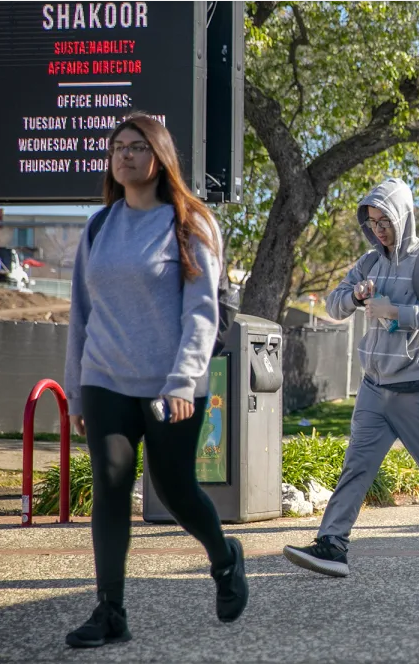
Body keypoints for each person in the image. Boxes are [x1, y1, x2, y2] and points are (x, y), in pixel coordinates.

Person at [62, 114, 248, 648]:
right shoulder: (99, 227)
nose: (125, 155)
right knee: (112, 486)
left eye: (137, 146)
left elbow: (201, 314)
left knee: (174, 487)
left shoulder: (190, 223)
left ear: (159, 156)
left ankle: (223, 557)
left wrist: (183, 381)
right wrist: (76, 388)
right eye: (117, 147)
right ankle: (110, 611)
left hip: (170, 384)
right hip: (105, 379)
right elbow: (81, 314)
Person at [283, 177, 419, 575]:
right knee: (356, 466)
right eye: (372, 222)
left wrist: (395, 312)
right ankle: (332, 545)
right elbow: (334, 305)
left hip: (416, 387)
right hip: (373, 387)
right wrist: (354, 296)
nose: (379, 229)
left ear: (403, 216)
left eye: (385, 220)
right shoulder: (368, 262)